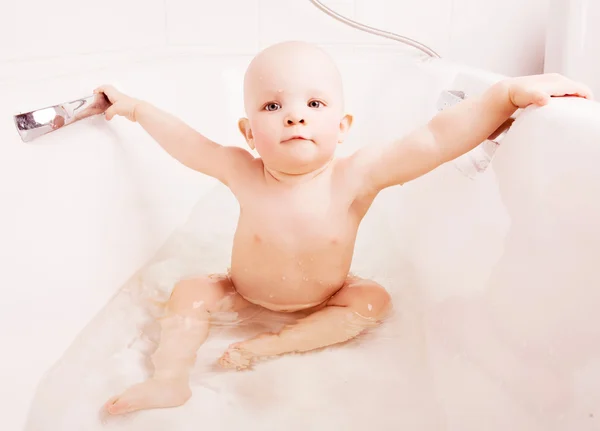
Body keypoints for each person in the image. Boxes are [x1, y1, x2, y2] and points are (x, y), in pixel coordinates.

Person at [95, 40, 593, 415]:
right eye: (273, 107)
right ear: (249, 134)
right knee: (190, 291)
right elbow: (187, 142)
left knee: (373, 301)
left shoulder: (356, 178)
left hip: (329, 296)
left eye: (314, 105)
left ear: (344, 126)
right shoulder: (241, 171)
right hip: (240, 291)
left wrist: (504, 96)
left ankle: (272, 346)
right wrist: (136, 109)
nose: (295, 117)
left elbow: (436, 138)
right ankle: (170, 377)